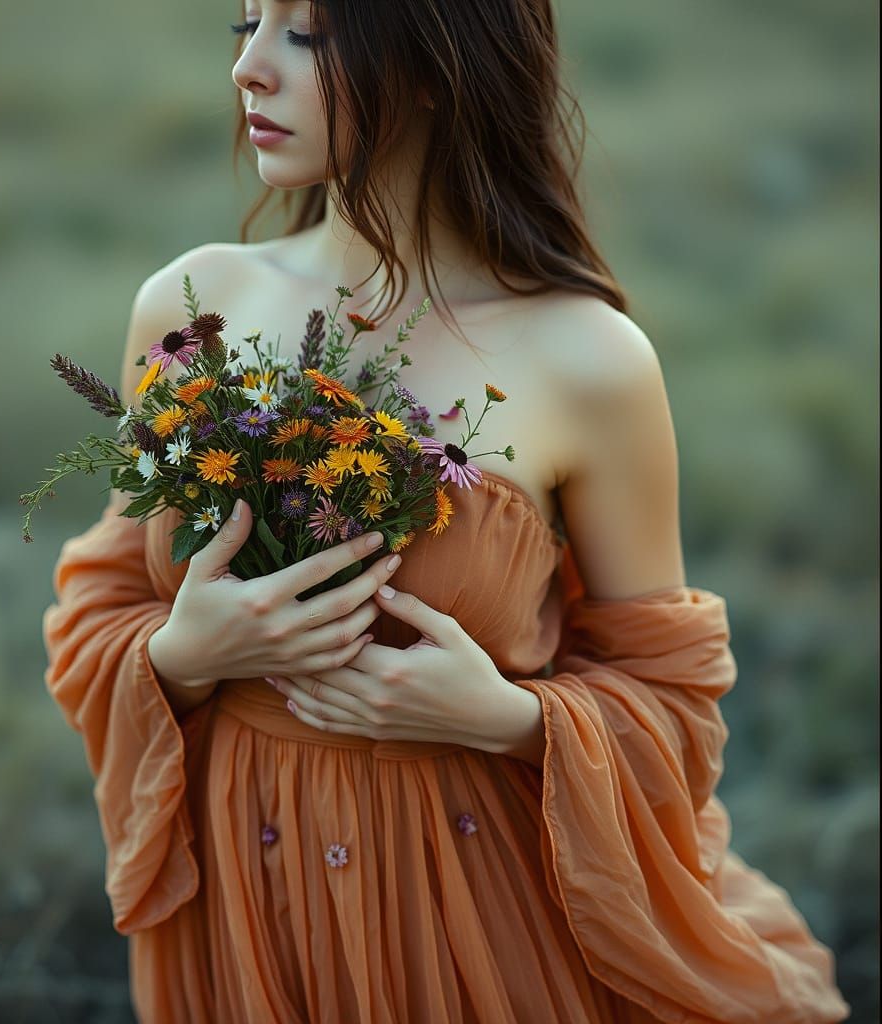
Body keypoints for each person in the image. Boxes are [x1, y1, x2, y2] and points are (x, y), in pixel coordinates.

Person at [42, 2, 852, 1021]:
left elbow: (674, 700)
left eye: (310, 33)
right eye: (244, 22)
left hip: (480, 919)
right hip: (246, 910)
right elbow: (100, 602)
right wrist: (180, 656)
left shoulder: (588, 360)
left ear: (436, 61)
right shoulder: (192, 306)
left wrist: (507, 720)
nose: (247, 68)